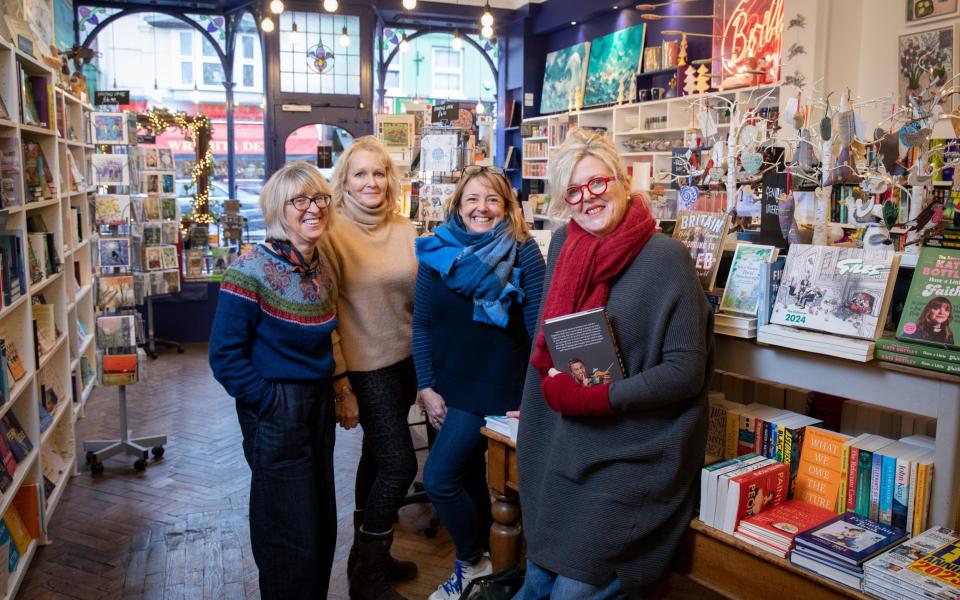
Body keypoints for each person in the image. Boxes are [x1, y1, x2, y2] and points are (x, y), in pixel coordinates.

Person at [515, 128, 714, 599]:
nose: (589, 199)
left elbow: (685, 372)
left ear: (623, 180)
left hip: (636, 448)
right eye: (575, 192)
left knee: (569, 592)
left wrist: (599, 397)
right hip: (570, 439)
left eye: (598, 184)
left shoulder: (667, 258)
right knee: (535, 581)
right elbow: (549, 341)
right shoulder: (565, 243)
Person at [208, 161, 355, 599]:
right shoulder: (249, 269)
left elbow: (329, 335)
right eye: (300, 201)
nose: (314, 209)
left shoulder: (323, 265)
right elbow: (224, 356)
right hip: (277, 408)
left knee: (320, 522)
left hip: (317, 406)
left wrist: (339, 390)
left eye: (320, 198)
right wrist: (268, 402)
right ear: (278, 209)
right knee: (286, 530)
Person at [414, 166, 546, 600]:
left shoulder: (523, 251)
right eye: (472, 199)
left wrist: (535, 398)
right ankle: (488, 568)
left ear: (507, 207)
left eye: (492, 199)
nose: (481, 208)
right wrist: (426, 385)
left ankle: (472, 562)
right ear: (457, 205)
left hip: (496, 390)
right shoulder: (437, 251)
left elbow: (537, 334)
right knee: (466, 479)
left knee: (438, 479)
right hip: (447, 387)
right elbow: (423, 325)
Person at [317, 136, 419, 600]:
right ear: (344, 181)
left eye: (379, 173)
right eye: (360, 173)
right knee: (400, 466)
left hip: (406, 361)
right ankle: (367, 578)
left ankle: (368, 555)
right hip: (366, 367)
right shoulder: (330, 232)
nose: (371, 182)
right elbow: (325, 314)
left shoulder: (406, 228)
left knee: (376, 460)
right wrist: (341, 384)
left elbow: (420, 300)